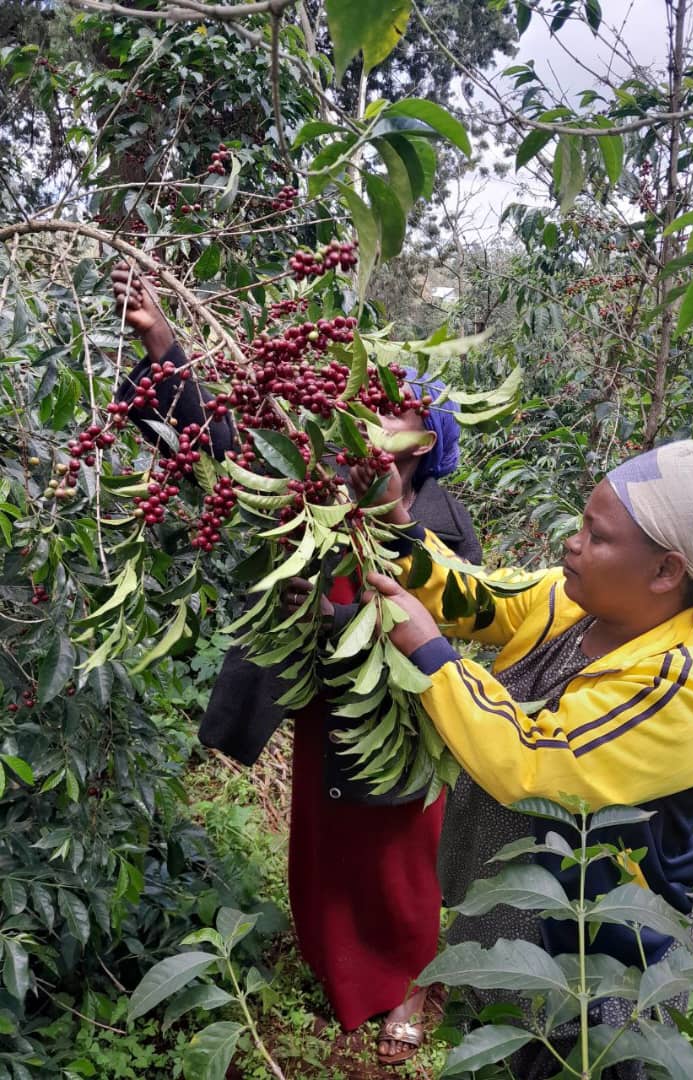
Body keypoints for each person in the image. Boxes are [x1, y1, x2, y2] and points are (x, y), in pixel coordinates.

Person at [110, 263, 482, 1066]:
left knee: (399, 860)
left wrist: (340, 612)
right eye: (373, 404)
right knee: (323, 843)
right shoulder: (310, 479)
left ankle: (415, 981)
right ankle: (343, 973)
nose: (378, 421)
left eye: (401, 413)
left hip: (400, 716)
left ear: (430, 441)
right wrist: (166, 342)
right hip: (322, 702)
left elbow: (451, 614)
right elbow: (216, 440)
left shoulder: (445, 521)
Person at [351, 439, 693, 1078]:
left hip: (595, 976)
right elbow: (472, 594)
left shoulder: (687, 683)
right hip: (511, 932)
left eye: (596, 536)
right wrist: (392, 517)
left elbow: (533, 763)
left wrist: (433, 658)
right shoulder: (572, 602)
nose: (572, 542)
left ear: (665, 572)